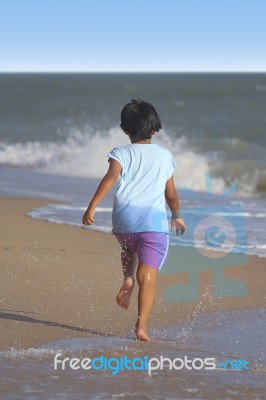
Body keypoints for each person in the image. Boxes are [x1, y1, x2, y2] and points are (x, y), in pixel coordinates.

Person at [82, 99, 186, 341]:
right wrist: (177, 216)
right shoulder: (164, 156)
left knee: (129, 247)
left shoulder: (120, 152)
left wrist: (92, 207)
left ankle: (127, 277)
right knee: (147, 276)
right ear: (154, 129)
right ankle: (141, 327)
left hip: (124, 220)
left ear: (125, 129)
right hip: (153, 224)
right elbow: (170, 193)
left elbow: (110, 178)